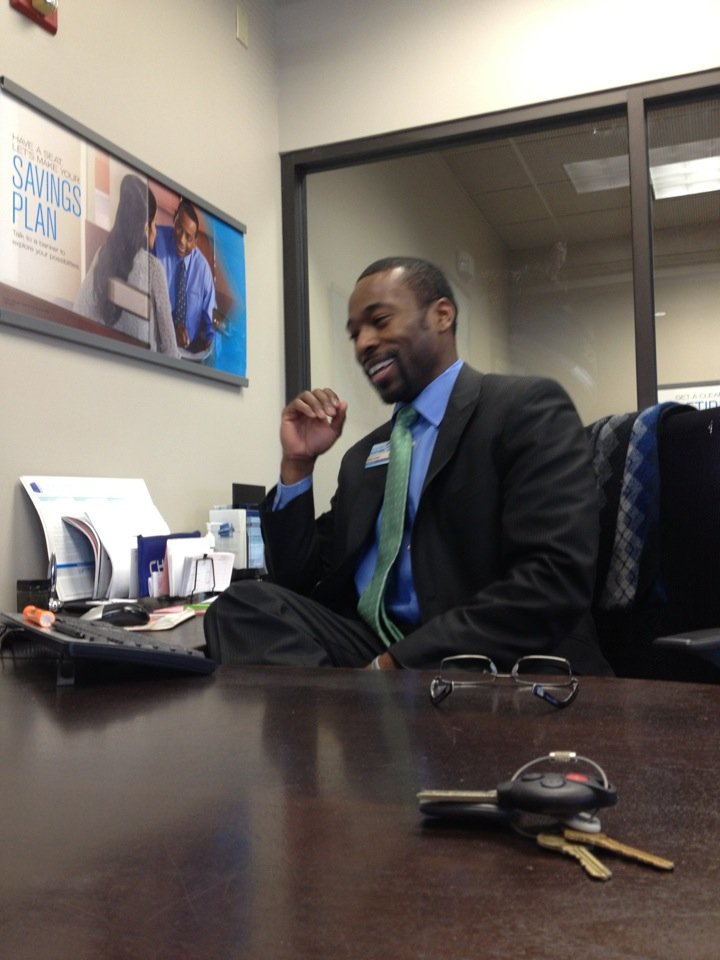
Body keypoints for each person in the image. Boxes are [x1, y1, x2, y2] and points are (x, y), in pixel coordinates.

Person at [204, 256, 611, 675]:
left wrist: (395, 664)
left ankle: (353, 705)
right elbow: (297, 585)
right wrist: (297, 465)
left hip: (489, 658)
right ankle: (358, 705)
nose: (363, 344)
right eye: (355, 334)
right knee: (242, 605)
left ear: (442, 316)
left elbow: (553, 579)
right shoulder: (364, 457)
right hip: (373, 648)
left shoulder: (525, 410)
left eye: (379, 321)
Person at [74, 175, 179, 357]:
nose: (156, 231)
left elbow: (79, 312)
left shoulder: (103, 254)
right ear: (146, 227)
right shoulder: (154, 269)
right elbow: (170, 349)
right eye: (155, 224)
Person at [152, 198, 216, 355]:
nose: (181, 240)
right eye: (179, 228)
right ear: (174, 220)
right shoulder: (155, 241)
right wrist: (169, 329)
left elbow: (212, 325)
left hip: (188, 352)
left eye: (189, 237)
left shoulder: (203, 271)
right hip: (154, 339)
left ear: (196, 241)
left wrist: (210, 346)